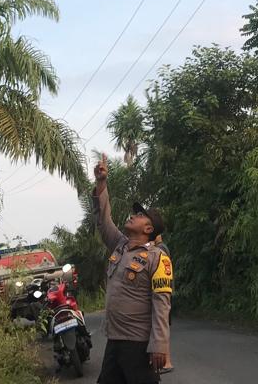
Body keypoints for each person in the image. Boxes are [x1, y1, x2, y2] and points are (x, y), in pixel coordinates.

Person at [92, 155, 173, 383]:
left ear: (148, 228)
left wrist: (159, 344)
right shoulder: (120, 244)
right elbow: (103, 221)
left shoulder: (158, 259)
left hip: (138, 345)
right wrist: (101, 183)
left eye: (139, 215)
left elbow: (161, 304)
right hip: (114, 341)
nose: (132, 215)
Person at [152, 234, 175, 375]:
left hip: (163, 292)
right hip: (164, 292)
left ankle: (166, 361)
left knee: (162, 325)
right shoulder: (160, 248)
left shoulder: (161, 249)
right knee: (163, 324)